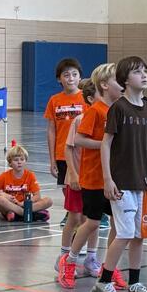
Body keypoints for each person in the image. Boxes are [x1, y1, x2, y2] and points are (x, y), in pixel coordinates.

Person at [95, 56, 147, 292]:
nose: (143, 75)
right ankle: (103, 282)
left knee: (138, 235)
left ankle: (134, 284)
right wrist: (107, 179)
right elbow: (105, 144)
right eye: (137, 72)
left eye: (145, 71)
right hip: (121, 183)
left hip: (141, 181)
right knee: (124, 233)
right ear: (125, 79)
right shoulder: (119, 108)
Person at [57, 63, 123, 290]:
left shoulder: (119, 110)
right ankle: (69, 261)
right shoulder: (95, 111)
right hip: (94, 178)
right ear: (104, 85)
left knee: (117, 224)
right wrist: (105, 144)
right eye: (118, 80)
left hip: (115, 177)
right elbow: (79, 140)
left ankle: (110, 268)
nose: (123, 84)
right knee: (92, 222)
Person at [58, 78, 101, 277]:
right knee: (74, 217)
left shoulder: (106, 119)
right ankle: (63, 257)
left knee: (93, 219)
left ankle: (91, 258)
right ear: (91, 99)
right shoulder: (79, 120)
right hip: (76, 178)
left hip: (95, 179)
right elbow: (68, 149)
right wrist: (74, 174)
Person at [44, 58, 86, 227]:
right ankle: (72, 212)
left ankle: (92, 213)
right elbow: (51, 130)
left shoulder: (86, 98)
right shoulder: (54, 100)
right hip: (62, 152)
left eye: (74, 74)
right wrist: (52, 159)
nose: (71, 78)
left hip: (82, 153)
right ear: (59, 79)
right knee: (65, 186)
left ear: (80, 77)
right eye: (66, 75)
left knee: (85, 186)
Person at [0, 145, 53, 222]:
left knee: (49, 200)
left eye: (22, 159)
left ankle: (19, 215)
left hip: (25, 205)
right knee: (0, 199)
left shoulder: (30, 175)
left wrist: (24, 203)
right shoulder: (4, 176)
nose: (19, 162)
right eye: (16, 160)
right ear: (10, 163)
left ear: (25, 161)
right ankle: (29, 214)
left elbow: (37, 196)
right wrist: (2, 194)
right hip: (10, 206)